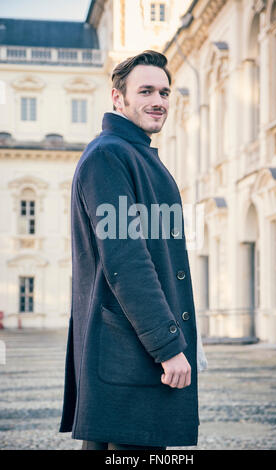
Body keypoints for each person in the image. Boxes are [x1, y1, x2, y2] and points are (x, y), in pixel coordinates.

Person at [59, 50, 207, 451]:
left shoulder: (134, 154)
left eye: (164, 91)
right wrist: (168, 345)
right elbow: (127, 262)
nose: (158, 100)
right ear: (117, 97)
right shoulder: (110, 156)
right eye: (145, 91)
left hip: (132, 355)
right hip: (131, 355)